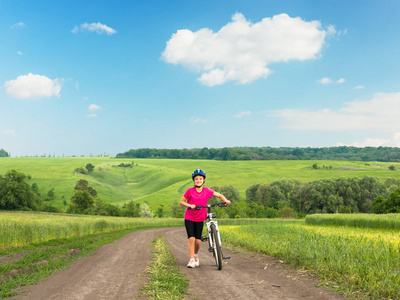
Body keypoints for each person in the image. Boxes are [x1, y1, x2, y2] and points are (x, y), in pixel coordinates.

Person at [179, 169, 230, 268]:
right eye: (196, 179)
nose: (198, 180)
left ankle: (196, 255)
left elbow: (219, 195)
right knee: (191, 238)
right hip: (189, 217)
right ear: (194, 180)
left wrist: (226, 200)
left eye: (200, 179)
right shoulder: (189, 191)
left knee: (198, 241)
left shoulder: (207, 191)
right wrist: (190, 205)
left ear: (203, 180)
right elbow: (182, 201)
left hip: (200, 218)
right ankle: (191, 260)